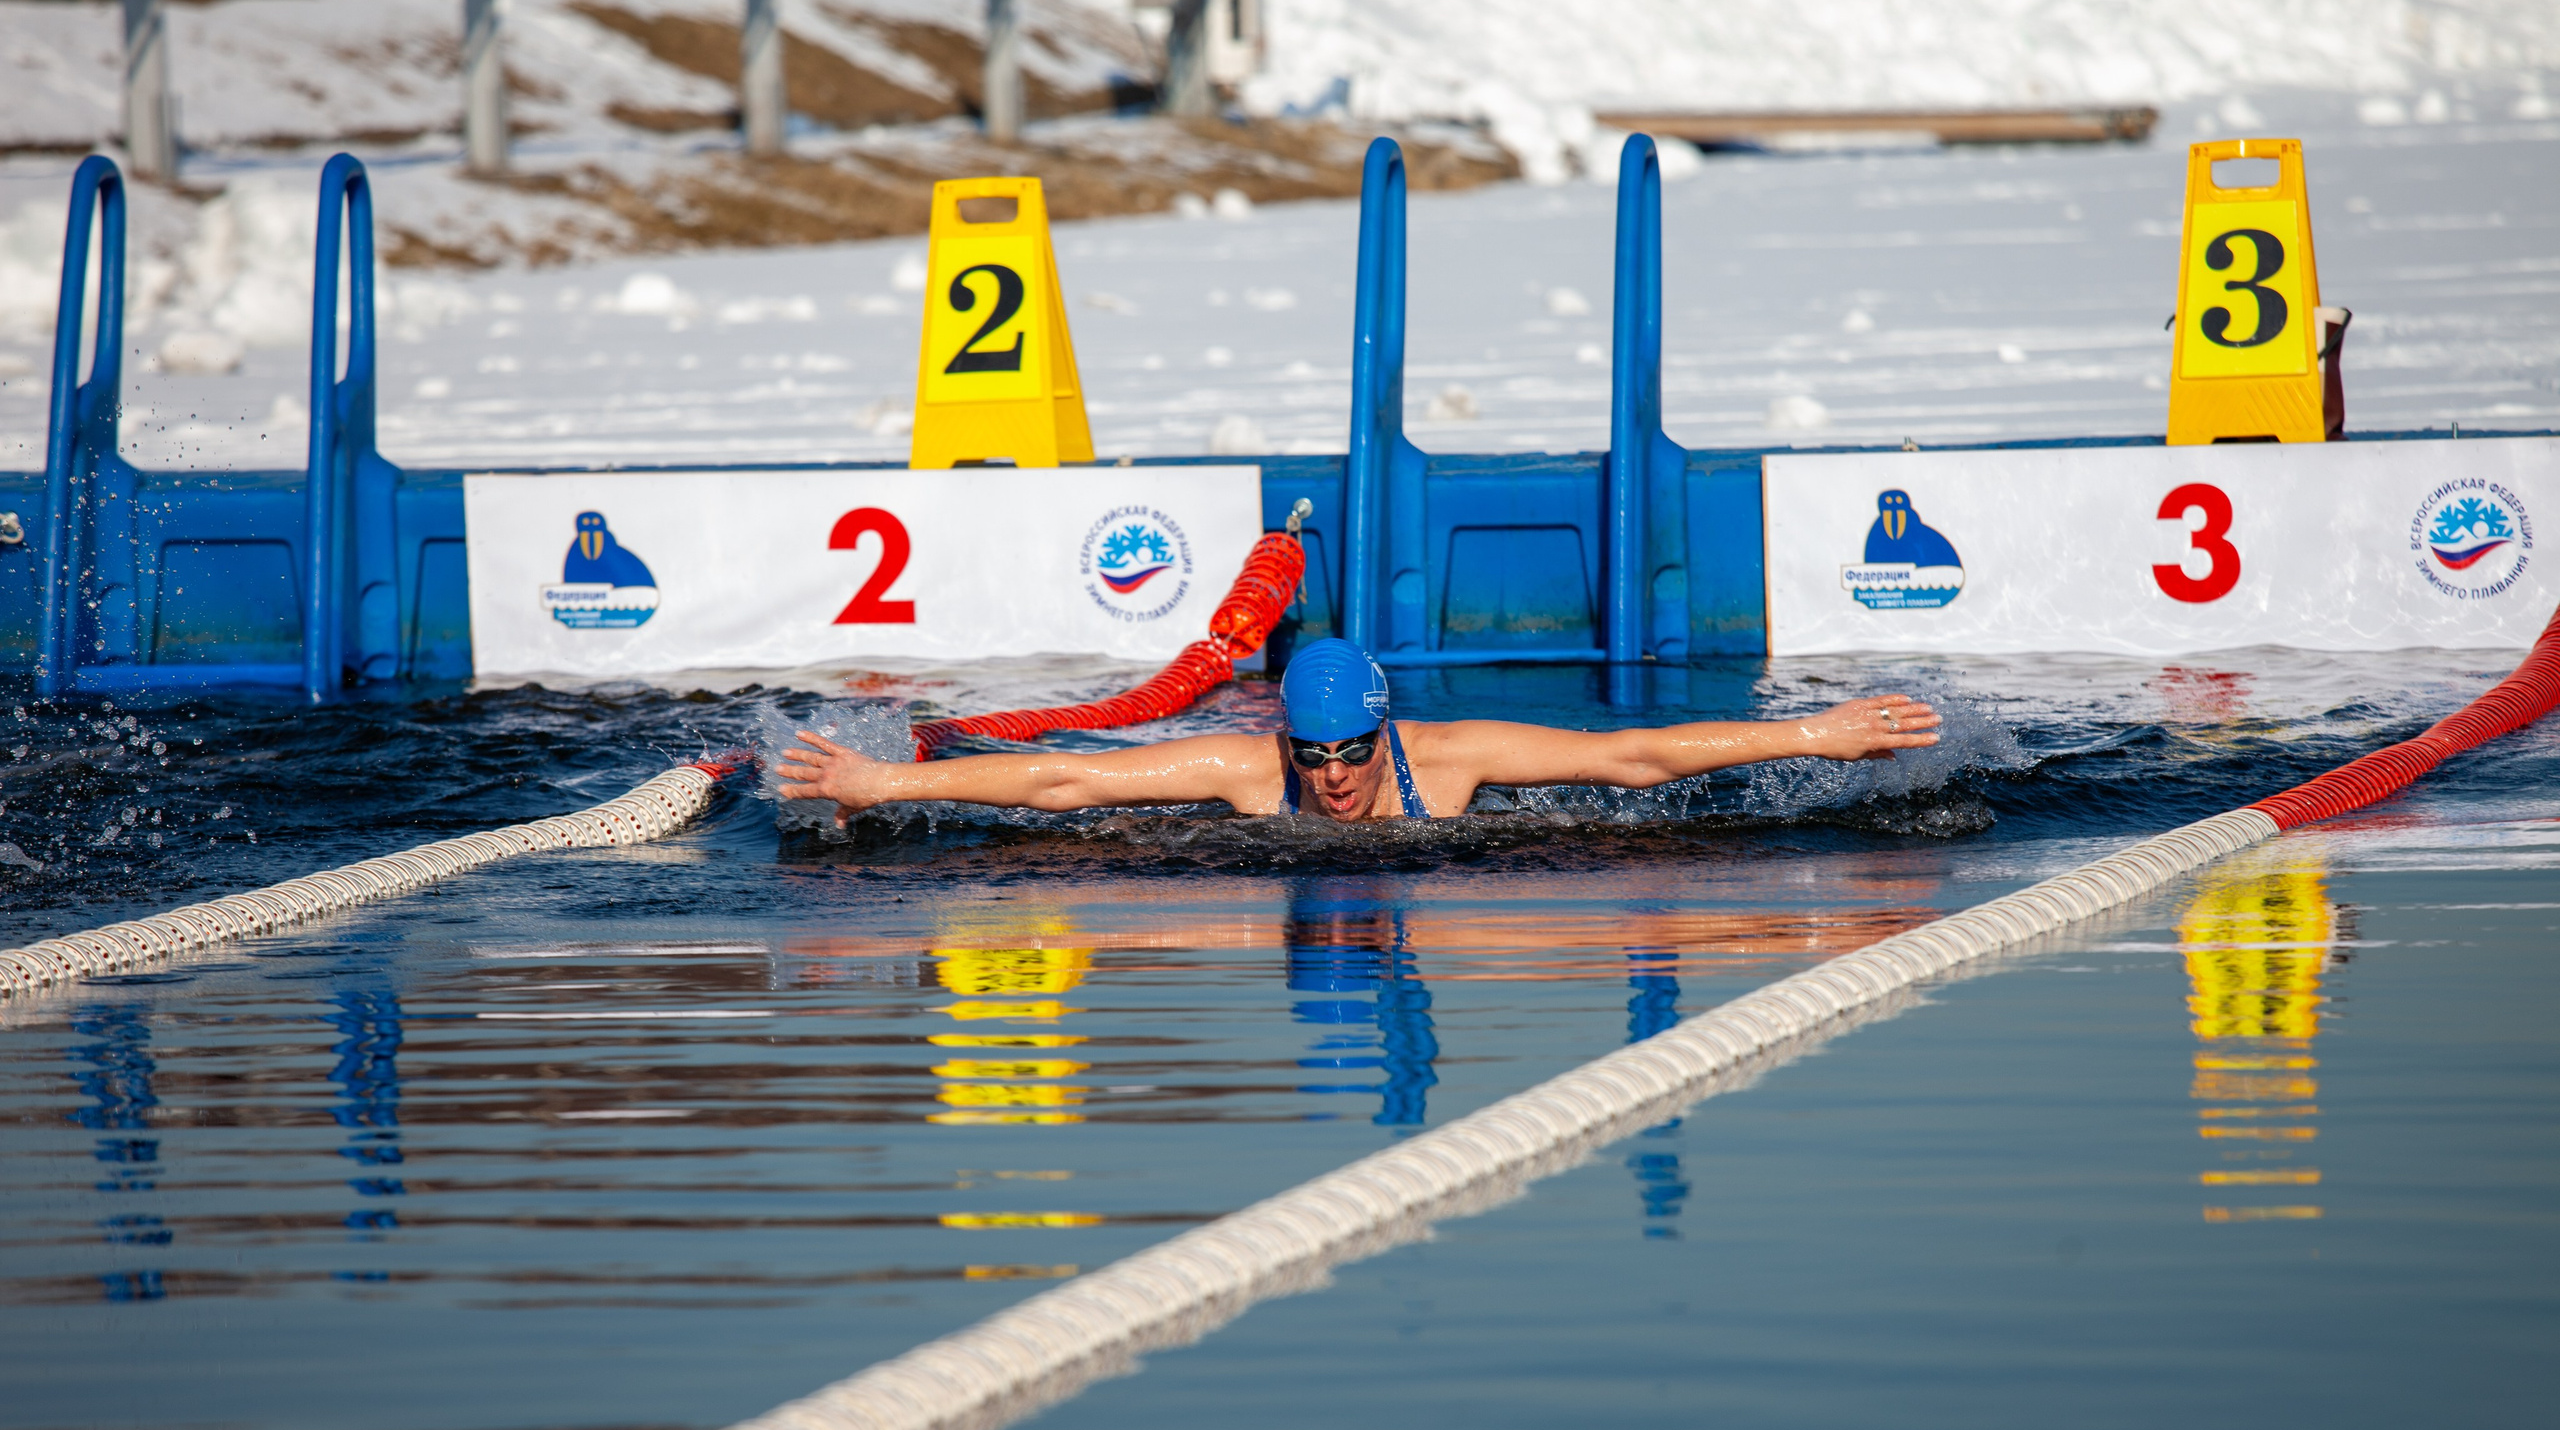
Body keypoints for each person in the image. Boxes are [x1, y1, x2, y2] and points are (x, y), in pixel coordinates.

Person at [775, 638, 1942, 826]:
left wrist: (1818, 737)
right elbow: (1067, 783)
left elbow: (1635, 757)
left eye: (1348, 753)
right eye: (1312, 755)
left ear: (1384, 735)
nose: (1330, 778)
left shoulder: (1448, 757)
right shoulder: (1249, 772)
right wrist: (880, 786)